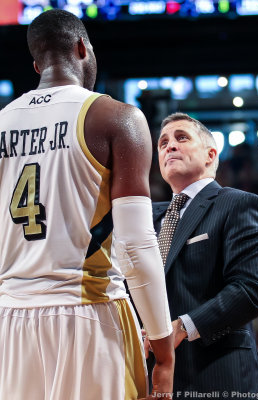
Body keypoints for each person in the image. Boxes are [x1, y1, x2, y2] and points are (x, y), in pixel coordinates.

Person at [0, 9, 174, 400]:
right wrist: (163, 349)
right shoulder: (117, 117)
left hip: (10, 320)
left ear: (36, 63)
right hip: (88, 312)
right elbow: (135, 245)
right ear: (82, 48)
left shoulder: (2, 121)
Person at [145, 112, 258, 398]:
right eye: (163, 142)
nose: (170, 146)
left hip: (215, 372)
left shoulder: (238, 204)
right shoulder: (146, 218)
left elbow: (253, 289)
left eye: (181, 138)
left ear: (210, 154)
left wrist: (181, 328)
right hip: (150, 376)